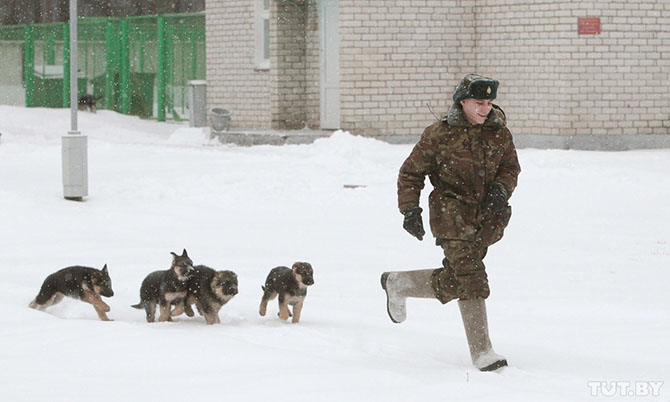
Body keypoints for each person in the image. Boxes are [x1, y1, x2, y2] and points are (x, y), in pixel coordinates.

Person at [381, 74, 521, 372]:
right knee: (471, 277)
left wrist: (502, 189)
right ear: (463, 102)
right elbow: (410, 174)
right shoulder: (439, 135)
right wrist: (410, 209)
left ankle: (399, 283)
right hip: (451, 215)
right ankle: (483, 352)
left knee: (458, 280)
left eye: (489, 102)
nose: (486, 109)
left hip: (485, 220)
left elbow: (511, 167)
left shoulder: (499, 133)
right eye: (479, 103)